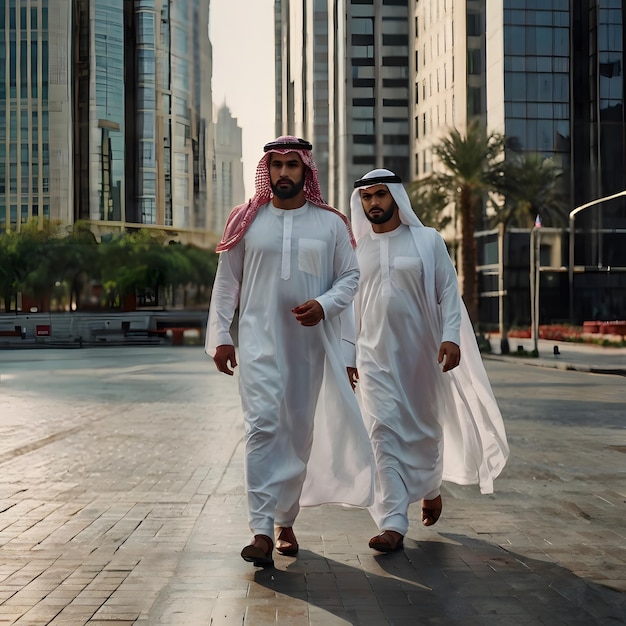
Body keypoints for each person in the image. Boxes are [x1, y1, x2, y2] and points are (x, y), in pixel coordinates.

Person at [206, 136, 374, 567]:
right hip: (259, 342)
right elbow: (227, 283)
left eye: (291, 165)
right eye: (276, 165)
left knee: (298, 434)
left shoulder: (331, 224)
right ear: (268, 169)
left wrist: (325, 305)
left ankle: (286, 520)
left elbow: (351, 278)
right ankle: (260, 529)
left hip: (308, 349)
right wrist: (221, 335)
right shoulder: (245, 221)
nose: (283, 173)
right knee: (261, 428)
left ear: (306, 171)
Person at [349, 168, 509, 552]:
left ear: (397, 198)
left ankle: (430, 486)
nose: (374, 203)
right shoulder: (356, 249)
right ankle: (392, 522)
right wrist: (347, 353)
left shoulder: (426, 240)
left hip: (421, 354)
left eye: (380, 195)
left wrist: (450, 337)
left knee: (424, 429)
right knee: (380, 432)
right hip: (372, 357)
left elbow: (448, 293)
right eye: (367, 197)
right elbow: (347, 306)